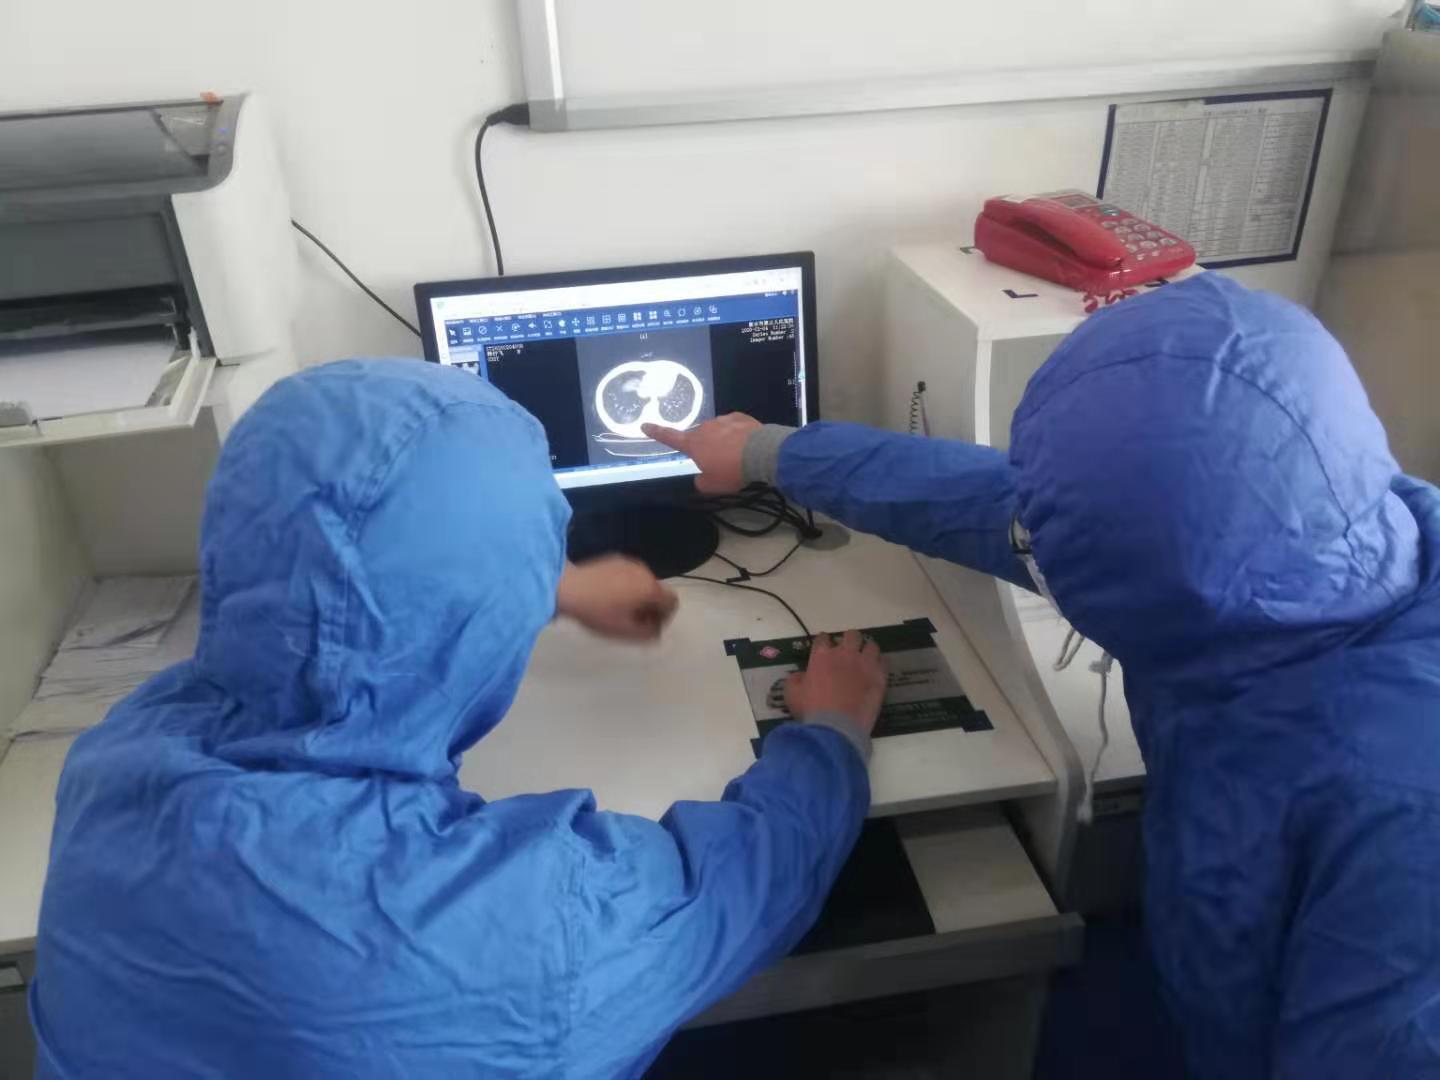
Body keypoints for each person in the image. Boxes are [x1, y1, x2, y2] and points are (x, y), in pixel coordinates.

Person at [646, 273, 1440, 1079]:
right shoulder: (1293, 530)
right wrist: (769, 451)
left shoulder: (1402, 824)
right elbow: (982, 502)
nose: (1026, 538)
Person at [30, 359, 886, 1078]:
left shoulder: (122, 753)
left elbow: (319, 586)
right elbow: (750, 878)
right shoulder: (534, 923)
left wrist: (544, 586)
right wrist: (832, 733)